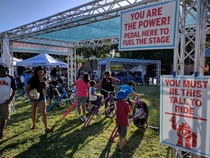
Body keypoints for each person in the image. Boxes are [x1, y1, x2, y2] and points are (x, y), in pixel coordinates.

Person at [24, 66, 52, 133]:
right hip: (33, 96)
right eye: (39, 71)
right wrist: (29, 97)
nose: (41, 72)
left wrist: (45, 95)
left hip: (41, 96)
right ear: (36, 72)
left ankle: (46, 127)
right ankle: (34, 124)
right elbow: (26, 89)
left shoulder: (44, 78)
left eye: (42, 71)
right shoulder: (32, 79)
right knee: (34, 111)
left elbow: (45, 87)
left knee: (44, 112)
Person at [0, 63, 17, 139]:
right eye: (0, 68)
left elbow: (15, 89)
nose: (2, 70)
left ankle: (1, 132)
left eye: (3, 68)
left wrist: (10, 99)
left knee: (4, 117)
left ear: (6, 69)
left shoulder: (10, 78)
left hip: (5, 101)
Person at [115, 90, 131, 156]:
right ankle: (120, 149)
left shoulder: (117, 103)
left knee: (120, 133)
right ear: (124, 98)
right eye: (126, 97)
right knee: (123, 135)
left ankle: (120, 144)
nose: (127, 98)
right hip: (124, 122)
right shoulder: (126, 104)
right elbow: (129, 112)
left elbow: (116, 111)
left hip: (118, 121)